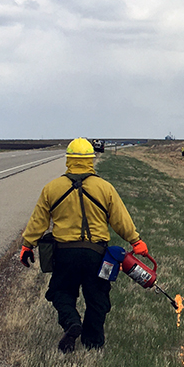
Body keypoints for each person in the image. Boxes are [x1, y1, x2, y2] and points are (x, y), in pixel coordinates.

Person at [19, 137, 150, 352]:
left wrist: (27, 245)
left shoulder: (51, 188)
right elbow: (120, 219)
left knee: (61, 292)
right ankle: (93, 342)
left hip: (64, 254)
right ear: (91, 158)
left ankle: (71, 322)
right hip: (97, 256)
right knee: (98, 298)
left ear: (68, 159)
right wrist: (136, 241)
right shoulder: (104, 188)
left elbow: (38, 222)